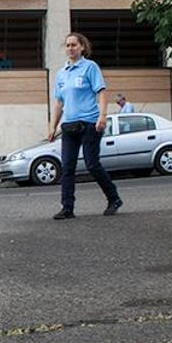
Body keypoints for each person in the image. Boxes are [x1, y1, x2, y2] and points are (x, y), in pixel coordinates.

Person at [48, 33, 123, 220]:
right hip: (69, 125)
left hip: (89, 123)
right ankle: (67, 208)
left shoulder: (90, 67)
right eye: (67, 45)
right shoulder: (61, 73)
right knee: (67, 168)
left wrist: (102, 117)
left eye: (74, 45)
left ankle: (113, 198)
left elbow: (101, 92)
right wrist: (52, 127)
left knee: (92, 164)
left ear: (82, 47)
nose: (70, 48)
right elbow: (58, 103)